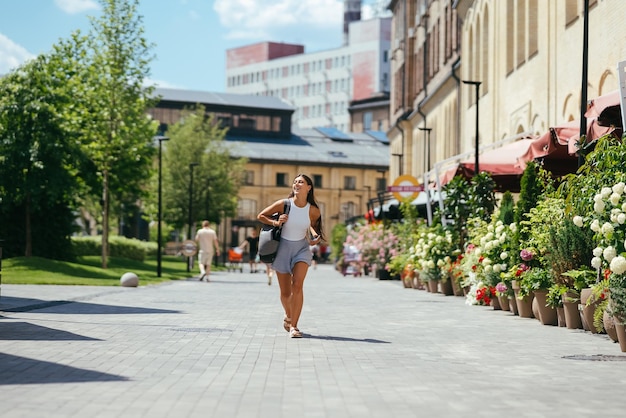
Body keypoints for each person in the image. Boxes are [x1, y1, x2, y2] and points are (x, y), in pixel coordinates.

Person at [257, 174, 323, 338]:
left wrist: (315, 238)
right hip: (282, 249)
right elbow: (261, 216)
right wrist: (276, 222)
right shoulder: (284, 204)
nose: (297, 184)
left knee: (298, 285)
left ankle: (294, 326)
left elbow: (312, 229)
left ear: (309, 187)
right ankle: (288, 315)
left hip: (301, 248)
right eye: (295, 182)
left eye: (301, 182)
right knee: (286, 293)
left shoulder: (313, 210)